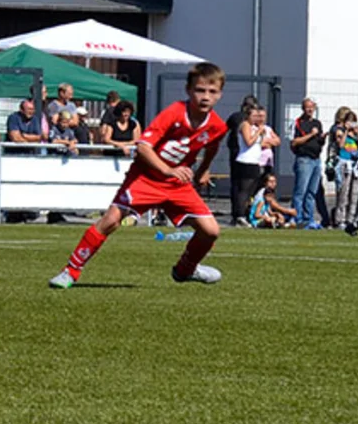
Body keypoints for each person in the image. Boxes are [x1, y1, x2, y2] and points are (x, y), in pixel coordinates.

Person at [50, 61, 228, 289]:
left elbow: (212, 146)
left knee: (211, 231)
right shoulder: (174, 112)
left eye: (212, 92)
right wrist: (167, 169)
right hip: (145, 179)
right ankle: (70, 271)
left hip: (177, 185)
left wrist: (203, 172)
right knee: (111, 221)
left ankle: (186, 269)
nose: (205, 97)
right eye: (200, 90)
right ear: (188, 90)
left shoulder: (216, 126)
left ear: (220, 94)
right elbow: (143, 146)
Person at [231, 105, 279, 224]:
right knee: (244, 190)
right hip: (245, 161)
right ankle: (239, 215)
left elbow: (272, 141)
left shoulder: (254, 127)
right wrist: (258, 132)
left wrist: (260, 134)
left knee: (251, 191)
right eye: (254, 115)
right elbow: (249, 142)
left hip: (254, 162)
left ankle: (247, 213)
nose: (256, 118)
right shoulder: (245, 125)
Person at [328, 107, 358, 233]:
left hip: (355, 165)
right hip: (344, 164)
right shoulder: (340, 132)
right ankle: (340, 219)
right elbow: (340, 145)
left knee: (355, 194)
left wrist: (357, 134)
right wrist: (346, 131)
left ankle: (351, 219)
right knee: (343, 193)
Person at [289, 99, 325, 229]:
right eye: (307, 107)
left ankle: (308, 217)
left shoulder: (317, 123)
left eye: (312, 107)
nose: (310, 110)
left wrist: (322, 138)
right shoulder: (299, 123)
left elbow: (319, 141)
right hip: (304, 159)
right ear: (303, 108)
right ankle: (297, 217)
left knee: (311, 192)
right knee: (301, 191)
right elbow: (294, 142)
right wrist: (311, 135)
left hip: (316, 160)